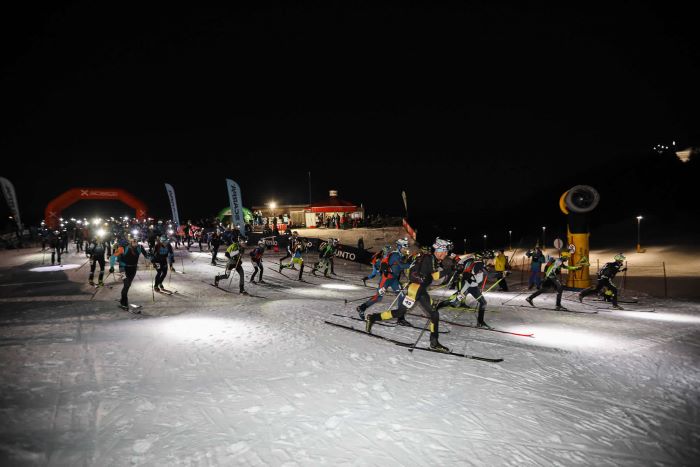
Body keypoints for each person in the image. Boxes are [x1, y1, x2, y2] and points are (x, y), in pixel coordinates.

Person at [366, 237, 452, 352]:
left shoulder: (433, 260)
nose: (446, 254)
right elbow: (414, 273)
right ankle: (372, 317)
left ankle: (434, 342)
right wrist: (421, 277)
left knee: (434, 314)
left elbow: (432, 276)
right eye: (445, 251)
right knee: (399, 313)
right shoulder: (427, 258)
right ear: (439, 250)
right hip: (415, 290)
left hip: (421, 291)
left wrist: (449, 270)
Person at [356, 238, 411, 320]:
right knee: (378, 297)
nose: (405, 249)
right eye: (404, 247)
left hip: (394, 280)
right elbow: (402, 266)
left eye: (406, 248)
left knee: (401, 296)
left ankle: (400, 318)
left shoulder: (401, 255)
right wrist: (412, 264)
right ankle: (362, 308)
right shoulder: (395, 255)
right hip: (386, 279)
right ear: (399, 247)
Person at [113, 236, 149, 309]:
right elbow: (114, 257)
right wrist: (112, 266)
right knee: (126, 284)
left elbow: (146, 255)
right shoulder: (123, 247)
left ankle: (122, 299)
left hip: (133, 268)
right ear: (130, 241)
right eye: (133, 241)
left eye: (136, 241)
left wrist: (152, 258)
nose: (135, 243)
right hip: (123, 269)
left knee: (128, 285)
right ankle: (124, 302)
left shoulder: (140, 247)